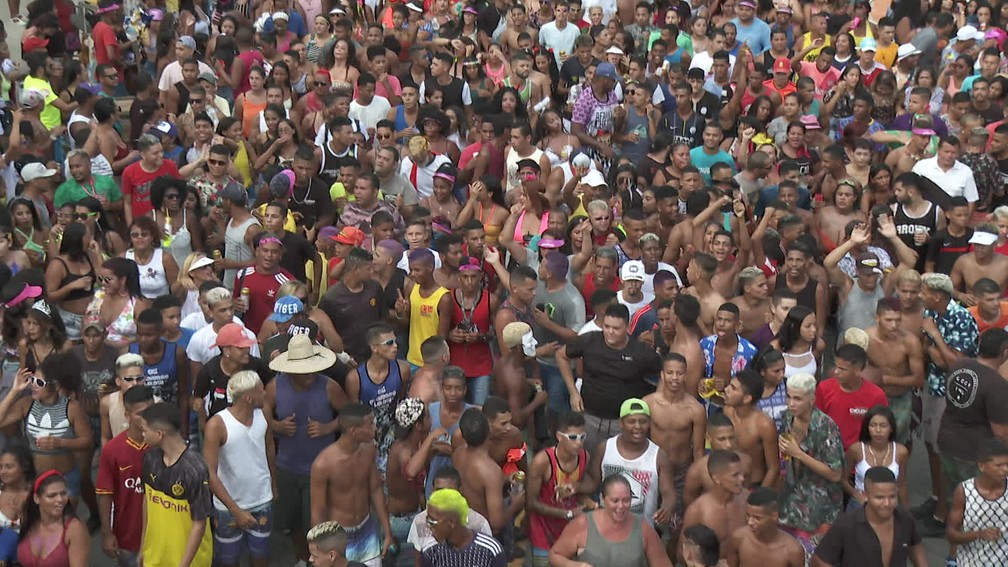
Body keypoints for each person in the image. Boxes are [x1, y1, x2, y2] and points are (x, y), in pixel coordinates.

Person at [266, 334, 347, 566]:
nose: (310, 374)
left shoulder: (330, 387)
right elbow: (262, 419)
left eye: (312, 369)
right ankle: (303, 559)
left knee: (318, 525)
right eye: (305, 371)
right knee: (289, 523)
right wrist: (278, 426)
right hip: (287, 468)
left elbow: (349, 415)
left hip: (320, 469)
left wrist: (328, 426)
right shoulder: (274, 387)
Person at [557, 303, 662, 450]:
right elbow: (561, 355)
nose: (610, 332)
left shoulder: (641, 352)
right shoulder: (590, 340)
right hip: (589, 418)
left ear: (627, 327)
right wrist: (573, 392)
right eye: (606, 326)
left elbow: (663, 373)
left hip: (622, 423)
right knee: (587, 462)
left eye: (616, 328)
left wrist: (654, 401)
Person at [310, 403, 392, 566]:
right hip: (339, 537)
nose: (375, 428)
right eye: (370, 424)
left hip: (366, 528)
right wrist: (318, 550)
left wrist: (387, 530)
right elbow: (318, 511)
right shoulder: (323, 464)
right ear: (354, 431)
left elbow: (375, 489)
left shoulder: (369, 450)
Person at [139, 401, 214, 567]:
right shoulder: (150, 459)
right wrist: (143, 546)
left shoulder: (195, 469)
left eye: (145, 430)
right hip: (155, 557)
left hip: (190, 561)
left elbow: (199, 522)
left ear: (159, 434)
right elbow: (147, 501)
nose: (142, 435)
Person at [777, 372, 844, 556]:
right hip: (791, 500)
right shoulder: (787, 418)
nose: (791, 403)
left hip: (820, 505)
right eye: (789, 397)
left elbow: (835, 473)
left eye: (797, 399)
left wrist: (798, 453)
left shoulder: (825, 426)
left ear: (811, 399)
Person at [549, 474, 673, 567]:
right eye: (615, 501)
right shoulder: (582, 524)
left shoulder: (643, 529)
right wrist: (576, 566)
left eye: (626, 500)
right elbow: (555, 555)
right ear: (602, 499)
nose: (621, 506)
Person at [812, 467, 926, 567]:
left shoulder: (905, 518)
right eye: (879, 497)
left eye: (892, 497)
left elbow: (917, 550)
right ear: (865, 495)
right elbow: (819, 560)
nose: (887, 503)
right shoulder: (847, 524)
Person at [96, 385, 154, 567]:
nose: (147, 417)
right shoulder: (113, 450)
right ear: (127, 414)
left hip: (161, 535)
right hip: (127, 536)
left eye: (151, 411)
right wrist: (107, 533)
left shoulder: (164, 444)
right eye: (140, 413)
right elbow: (104, 494)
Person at [526, 411, 590, 565]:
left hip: (569, 532)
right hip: (542, 532)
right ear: (559, 437)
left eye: (582, 437)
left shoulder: (584, 457)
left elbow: (589, 484)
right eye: (573, 438)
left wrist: (578, 488)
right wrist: (567, 514)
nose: (579, 443)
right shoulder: (542, 461)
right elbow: (531, 503)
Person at [345, 323, 409, 474]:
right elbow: (355, 415)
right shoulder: (355, 378)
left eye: (395, 342)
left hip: (393, 436)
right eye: (389, 343)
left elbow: (402, 400)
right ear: (374, 348)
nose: (395, 347)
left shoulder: (403, 370)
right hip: (368, 438)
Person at [945, 439, 1008, 567]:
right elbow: (951, 534)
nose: (1005, 469)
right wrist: (979, 534)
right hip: (971, 563)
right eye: (999, 465)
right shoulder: (964, 491)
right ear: (981, 466)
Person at [814, 344, 889, 449]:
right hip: (829, 451)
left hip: (862, 454)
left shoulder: (877, 396)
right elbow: (816, 422)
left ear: (857, 370)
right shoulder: (823, 388)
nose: (836, 372)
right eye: (836, 366)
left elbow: (882, 429)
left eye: (842, 369)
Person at [15, 470, 90, 567]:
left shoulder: (74, 529)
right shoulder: (29, 521)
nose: (60, 499)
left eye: (63, 493)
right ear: (37, 499)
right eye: (52, 496)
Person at [421, 488, 507, 567]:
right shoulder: (430, 551)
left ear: (451, 522)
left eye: (432, 521)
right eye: (427, 519)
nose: (428, 525)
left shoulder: (490, 550)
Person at [724, 369, 779, 489]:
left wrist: (758, 499)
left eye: (733, 388)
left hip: (753, 485)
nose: (726, 389)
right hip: (728, 484)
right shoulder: (727, 412)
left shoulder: (764, 425)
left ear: (747, 398)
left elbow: (773, 468)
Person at [724, 488, 805, 567]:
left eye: (757, 518)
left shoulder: (793, 551)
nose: (750, 522)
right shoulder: (738, 538)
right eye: (748, 516)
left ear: (774, 516)